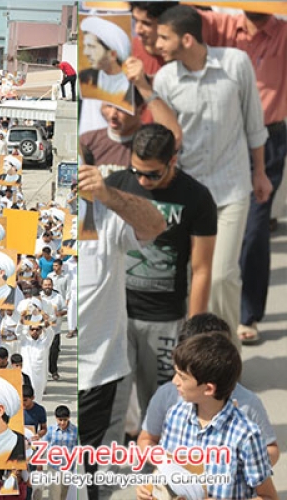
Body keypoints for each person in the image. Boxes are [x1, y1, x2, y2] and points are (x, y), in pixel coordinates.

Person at [152, 5, 270, 340]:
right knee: (191, 277)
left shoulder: (236, 64)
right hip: (188, 194)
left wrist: (260, 173)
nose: (156, 43)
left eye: (164, 37)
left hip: (232, 188)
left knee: (222, 276)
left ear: (186, 38)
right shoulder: (165, 78)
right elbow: (167, 139)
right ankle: (197, 353)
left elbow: (254, 123)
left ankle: (228, 354)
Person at [104, 124, 217, 429]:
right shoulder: (115, 185)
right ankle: (105, 472)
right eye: (137, 171)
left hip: (165, 318)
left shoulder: (197, 198)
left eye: (152, 174)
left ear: (173, 161)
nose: (142, 180)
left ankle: (162, 468)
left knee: (161, 405)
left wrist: (193, 331)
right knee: (113, 401)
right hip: (117, 315)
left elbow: (202, 268)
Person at [196, 7, 287, 345]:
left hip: (267, 138)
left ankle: (247, 313)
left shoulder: (282, 34)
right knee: (212, 227)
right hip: (220, 138)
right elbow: (181, 18)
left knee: (254, 226)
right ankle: (210, 309)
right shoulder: (221, 25)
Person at [77, 163, 165, 500]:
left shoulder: (103, 211)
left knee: (89, 480)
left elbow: (155, 224)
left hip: (100, 375)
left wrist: (107, 193)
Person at [135, 333, 277, 500]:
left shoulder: (245, 435)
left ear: (208, 389)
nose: (174, 381)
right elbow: (167, 467)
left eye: (182, 377)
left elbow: (269, 496)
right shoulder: (175, 416)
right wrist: (149, 487)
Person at [137, 313, 280, 467]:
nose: (175, 381)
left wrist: (241, 466)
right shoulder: (168, 397)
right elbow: (146, 439)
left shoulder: (248, 404)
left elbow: (270, 449)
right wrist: (166, 463)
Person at [79, 16, 133, 106]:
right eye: (86, 46)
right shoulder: (85, 77)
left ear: (112, 55)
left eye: (91, 46)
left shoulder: (131, 87)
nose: (86, 53)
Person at [43, 406, 78, 500]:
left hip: (69, 468)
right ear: (55, 418)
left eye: (65, 420)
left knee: (65, 494)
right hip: (54, 468)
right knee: (54, 494)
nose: (62, 423)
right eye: (60, 420)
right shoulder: (50, 430)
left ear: (69, 418)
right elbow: (43, 445)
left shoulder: (75, 431)